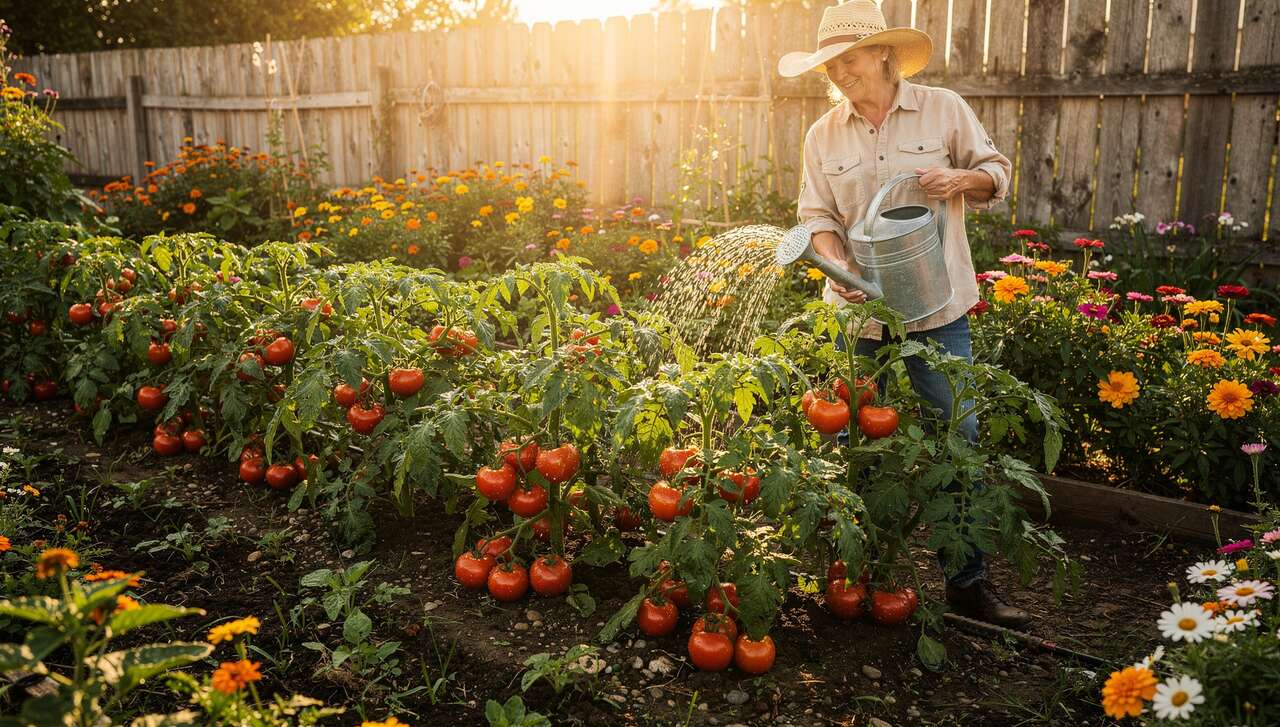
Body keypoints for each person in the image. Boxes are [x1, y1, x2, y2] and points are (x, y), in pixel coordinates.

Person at [777, 0, 1029, 628]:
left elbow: (998, 173)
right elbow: (818, 220)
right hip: (860, 319)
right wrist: (843, 268)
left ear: (884, 54)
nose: (839, 72)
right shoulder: (822, 134)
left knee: (958, 441)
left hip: (938, 308)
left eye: (850, 59)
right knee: (853, 444)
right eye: (830, 64)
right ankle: (860, 573)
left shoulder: (944, 108)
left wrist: (957, 180)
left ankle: (966, 583)